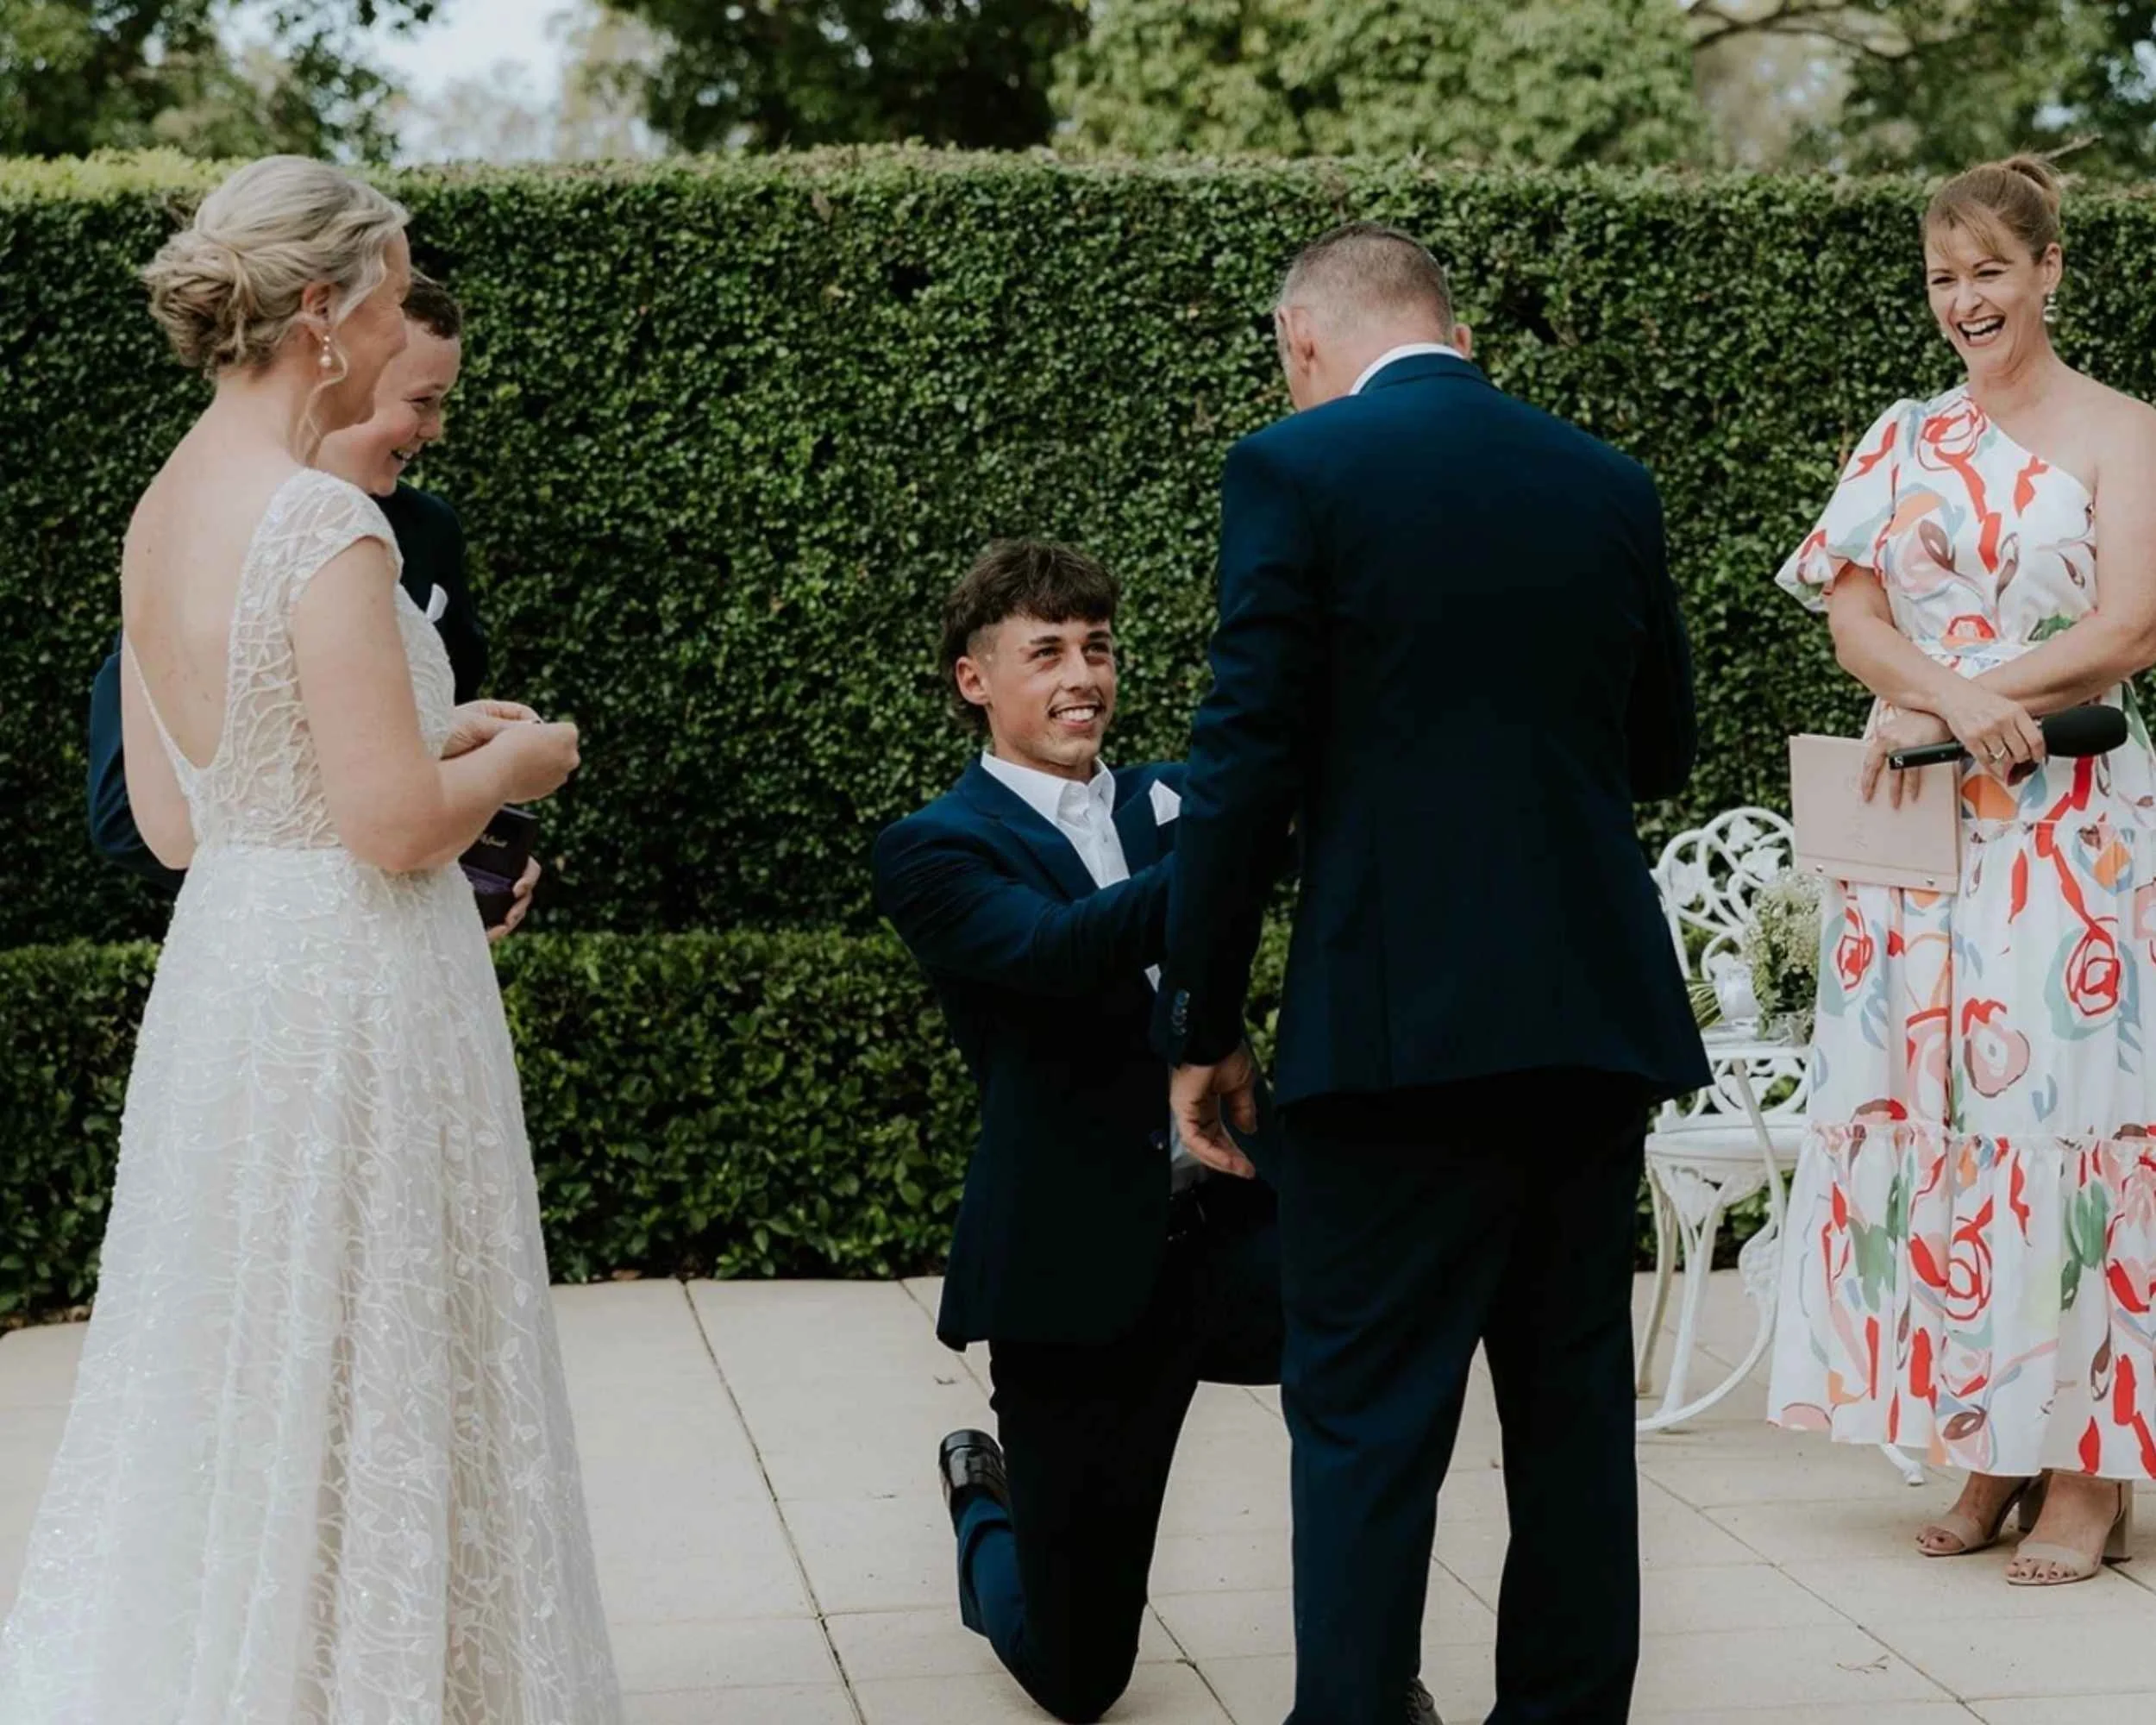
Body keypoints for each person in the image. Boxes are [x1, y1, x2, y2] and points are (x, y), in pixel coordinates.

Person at [0, 157, 620, 1720]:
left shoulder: (163, 513)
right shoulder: (325, 520)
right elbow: (399, 826)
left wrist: (430, 724)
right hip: (354, 984)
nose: (411, 325)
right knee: (381, 1361)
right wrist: (520, 762)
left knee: (253, 1370)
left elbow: (177, 820)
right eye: (404, 293)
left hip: (234, 979)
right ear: (330, 313)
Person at [1156, 223, 1708, 1725]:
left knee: (1367, 1426)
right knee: (1573, 1422)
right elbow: (1660, 747)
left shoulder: (1296, 468)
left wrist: (1200, 1020)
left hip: (1392, 1037)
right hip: (1594, 1024)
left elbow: (1241, 766)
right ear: (1452, 329)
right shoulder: (1608, 480)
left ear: (1305, 344)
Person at [876, 543, 1398, 1725]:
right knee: (1078, 1677)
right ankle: (982, 1504)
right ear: (974, 680)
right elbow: (1055, 956)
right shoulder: (933, 846)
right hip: (1075, 1260)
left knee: (1378, 1391)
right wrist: (1230, 843)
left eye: (1099, 648)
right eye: (1047, 651)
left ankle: (1369, 1681)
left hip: (1237, 1213)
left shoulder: (1169, 798)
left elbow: (1333, 822)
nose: (1084, 675)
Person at [1767, 155, 2156, 1585]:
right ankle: (1991, 1439)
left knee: (2063, 1121)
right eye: (1944, 278)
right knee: (1931, 1118)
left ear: (2051, 270)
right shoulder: (1902, 438)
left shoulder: (2127, 432)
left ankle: (2087, 1470)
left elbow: (2132, 623)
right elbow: (1851, 621)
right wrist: (1946, 695)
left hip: (2069, 830)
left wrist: (1988, 694)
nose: (1965, 300)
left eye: (1991, 270)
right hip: (1921, 828)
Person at [85, 273, 542, 938]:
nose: (435, 429)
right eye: (422, 400)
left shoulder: (430, 530)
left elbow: (413, 748)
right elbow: (126, 810)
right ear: (346, 375)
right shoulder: (209, 531)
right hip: (275, 937)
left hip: (410, 938)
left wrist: (473, 852)